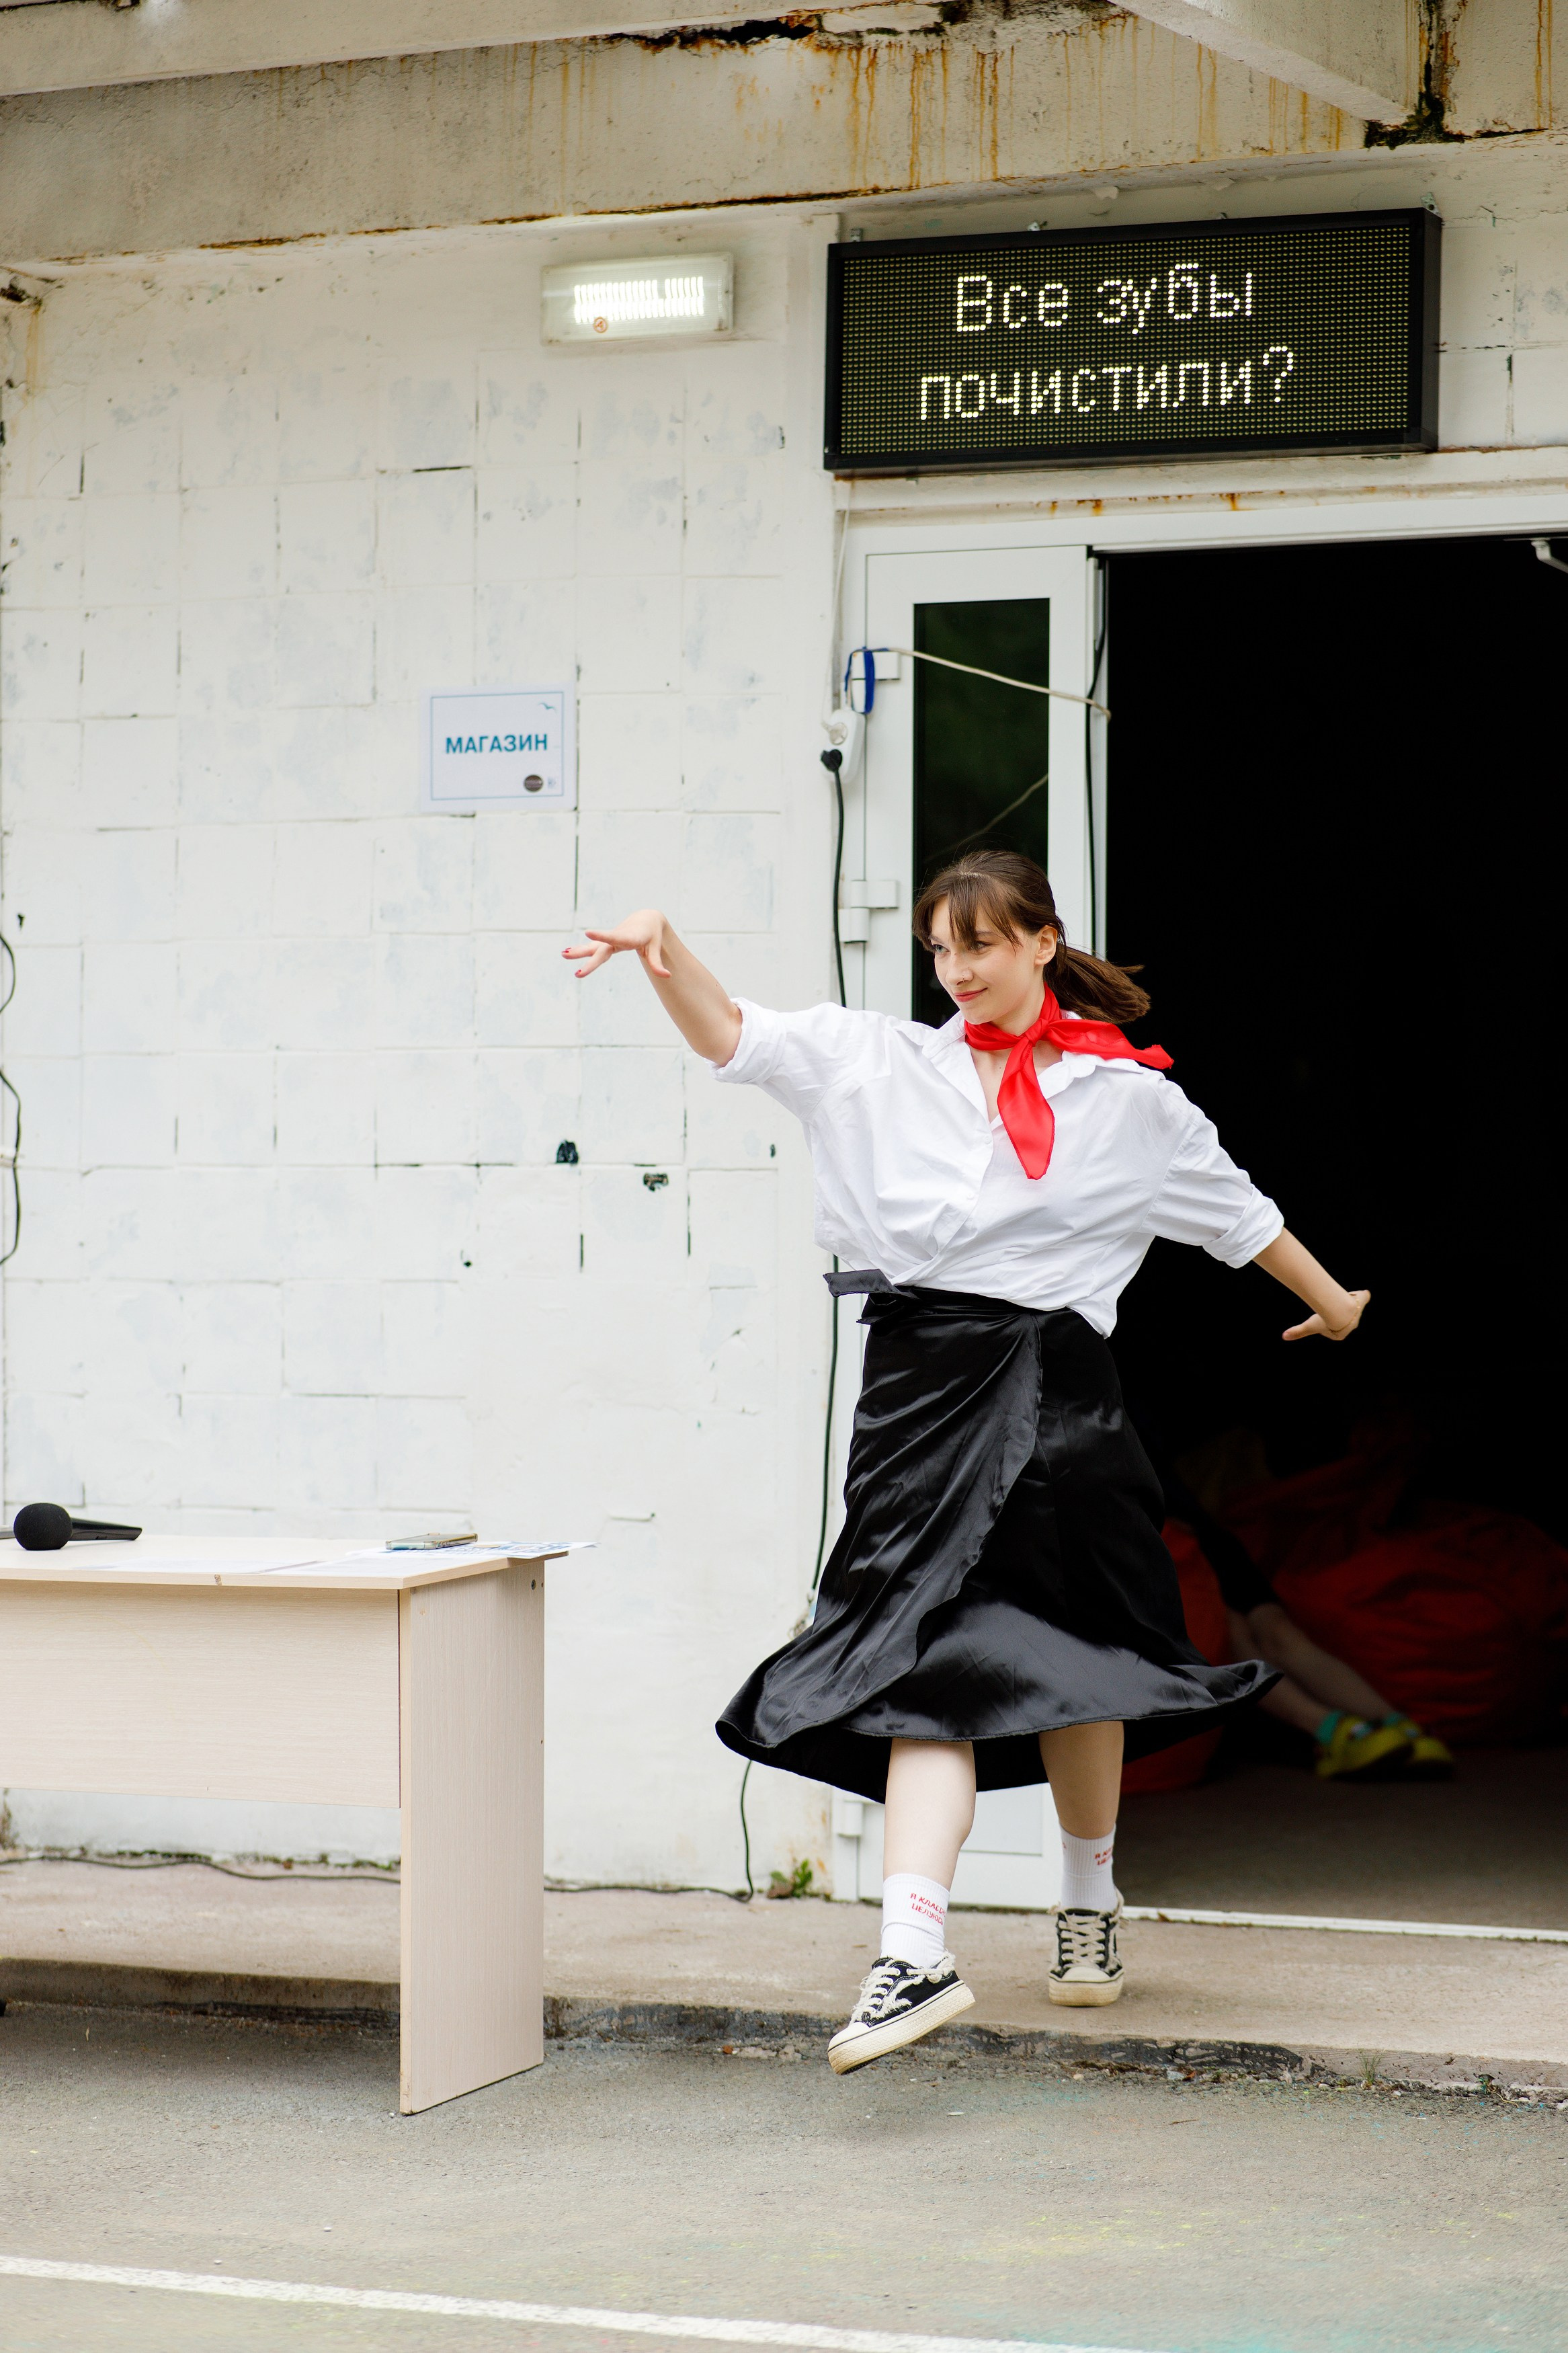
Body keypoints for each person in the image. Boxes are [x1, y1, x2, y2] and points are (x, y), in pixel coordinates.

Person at [565, 849, 1369, 2074]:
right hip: (917, 1397)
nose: (956, 972)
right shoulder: (877, 1062)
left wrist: (1335, 1303)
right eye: (940, 951)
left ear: (1042, 940)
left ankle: (1083, 1905)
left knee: (1083, 1661)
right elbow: (732, 1036)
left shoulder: (1128, 1099)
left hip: (1060, 1403)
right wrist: (662, 949)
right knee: (918, 1662)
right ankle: (915, 1950)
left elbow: (1236, 1214)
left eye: (980, 947)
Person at [1131, 1423, 1454, 1782]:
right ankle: (1404, 1730)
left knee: (1235, 1636)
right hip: (1199, 1532)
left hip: (1169, 1539)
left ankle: (1338, 1733)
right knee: (1270, 1633)